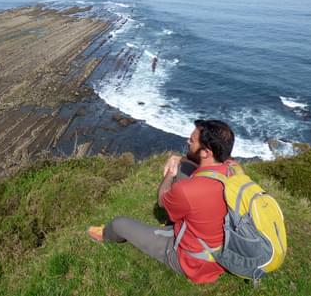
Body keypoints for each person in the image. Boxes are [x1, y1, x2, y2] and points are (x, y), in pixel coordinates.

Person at [87, 119, 235, 284]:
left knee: (119, 224)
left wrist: (170, 175)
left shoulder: (187, 190)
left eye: (192, 141)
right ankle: (178, 219)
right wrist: (180, 160)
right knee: (183, 170)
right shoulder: (233, 169)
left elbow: (161, 199)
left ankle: (105, 235)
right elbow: (195, 167)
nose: (187, 141)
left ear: (205, 152)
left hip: (196, 262)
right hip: (225, 247)